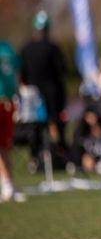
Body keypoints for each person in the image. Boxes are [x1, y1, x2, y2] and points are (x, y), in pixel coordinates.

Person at [20, 10, 68, 166]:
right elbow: (62, 71)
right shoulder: (53, 48)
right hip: (51, 93)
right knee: (52, 123)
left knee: (35, 125)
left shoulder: (26, 48)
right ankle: (57, 153)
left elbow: (23, 74)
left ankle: (35, 157)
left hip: (33, 94)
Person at [0, 40, 22, 202]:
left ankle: (8, 183)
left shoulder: (7, 47)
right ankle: (6, 182)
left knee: (6, 145)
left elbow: (18, 71)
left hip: (8, 102)